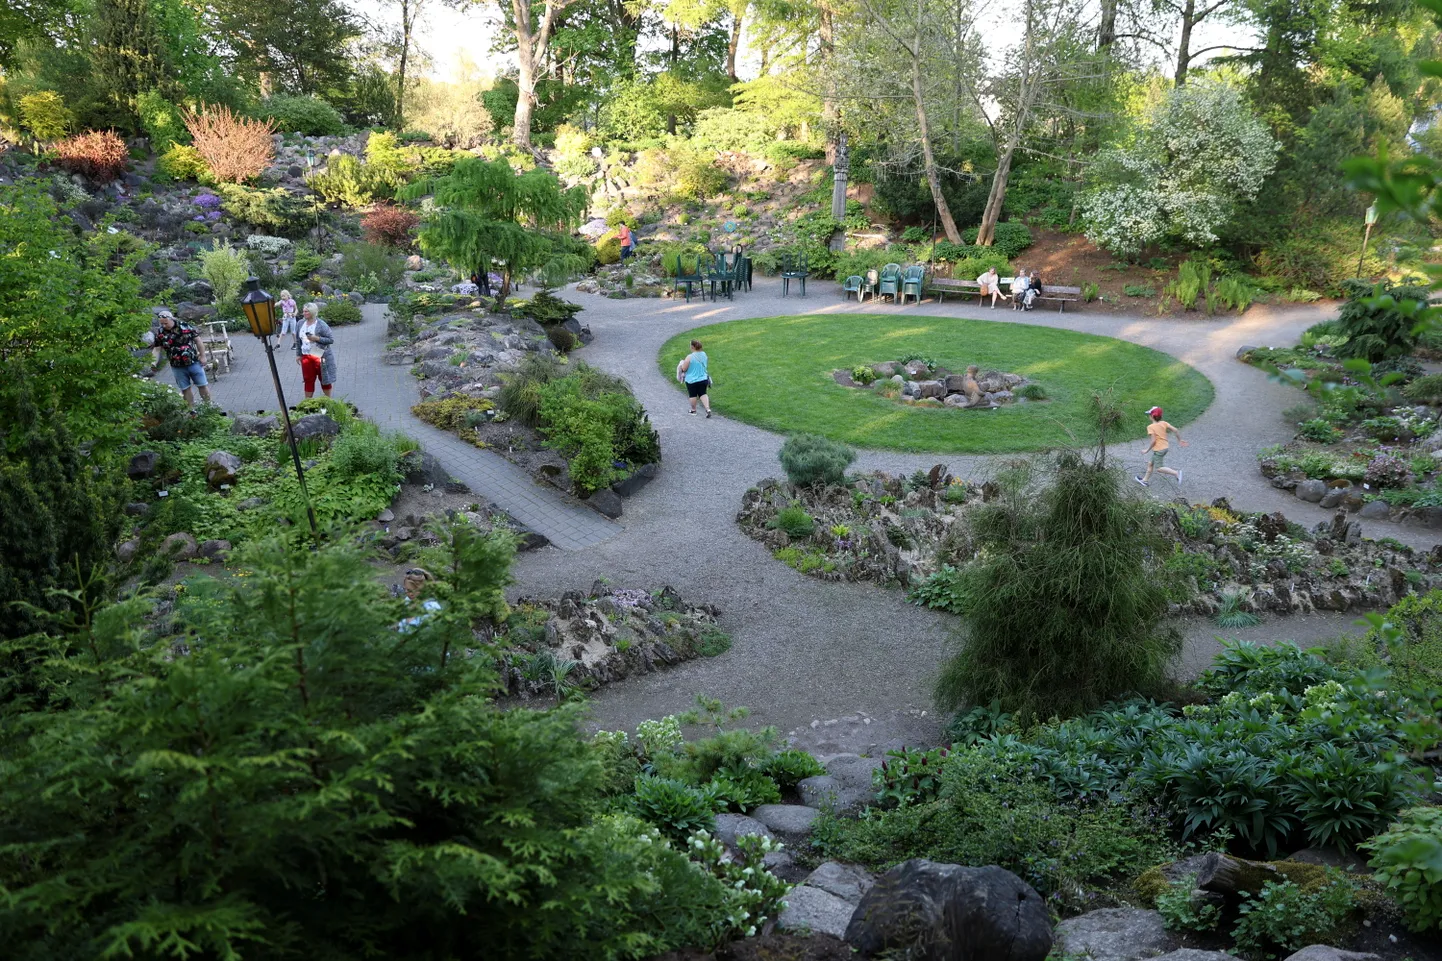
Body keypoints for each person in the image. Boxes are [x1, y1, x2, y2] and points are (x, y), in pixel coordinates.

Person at [152, 309, 213, 408]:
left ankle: (209, 407)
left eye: (165, 323)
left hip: (193, 362)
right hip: (177, 366)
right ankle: (191, 410)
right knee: (185, 389)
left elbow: (198, 340)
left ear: (171, 319)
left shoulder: (185, 326)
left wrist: (203, 356)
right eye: (161, 324)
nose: (163, 326)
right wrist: (153, 363)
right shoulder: (160, 332)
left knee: (202, 385)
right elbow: (157, 349)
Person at [1136, 405, 1187, 487]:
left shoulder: (1150, 427)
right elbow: (1175, 430)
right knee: (1150, 464)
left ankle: (1176, 473)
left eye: (1149, 414)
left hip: (1159, 450)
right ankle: (1144, 480)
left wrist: (1147, 450)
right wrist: (1179, 440)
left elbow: (1153, 441)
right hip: (1165, 447)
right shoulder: (1164, 423)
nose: (1149, 416)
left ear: (1152, 416)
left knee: (1159, 468)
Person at [294, 302, 337, 398]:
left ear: (312, 312)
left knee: (324, 379)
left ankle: (327, 401)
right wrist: (298, 354)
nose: (304, 313)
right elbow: (297, 340)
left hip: (319, 353)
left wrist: (317, 339)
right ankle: (308, 403)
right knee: (308, 379)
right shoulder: (300, 323)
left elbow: (331, 339)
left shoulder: (321, 324)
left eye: (307, 312)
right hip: (306, 355)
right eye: (303, 311)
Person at [397, 567, 443, 632]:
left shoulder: (432, 608)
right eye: (406, 589)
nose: (408, 594)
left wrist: (410, 615)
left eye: (411, 591)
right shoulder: (408, 600)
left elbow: (427, 634)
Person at [678, 338, 712, 418]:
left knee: (692, 395)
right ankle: (708, 409)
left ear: (693, 347)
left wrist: (681, 365)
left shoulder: (689, 357)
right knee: (703, 393)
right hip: (703, 379)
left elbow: (684, 368)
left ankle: (693, 410)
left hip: (691, 380)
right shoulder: (704, 354)